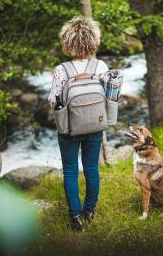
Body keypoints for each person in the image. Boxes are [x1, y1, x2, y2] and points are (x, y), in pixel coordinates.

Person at [48, 16, 109, 231]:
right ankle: (90, 209)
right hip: (95, 126)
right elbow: (110, 95)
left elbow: (54, 99)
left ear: (68, 42)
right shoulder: (100, 66)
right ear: (93, 40)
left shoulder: (61, 70)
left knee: (71, 171)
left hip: (70, 129)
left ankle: (75, 216)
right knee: (92, 167)